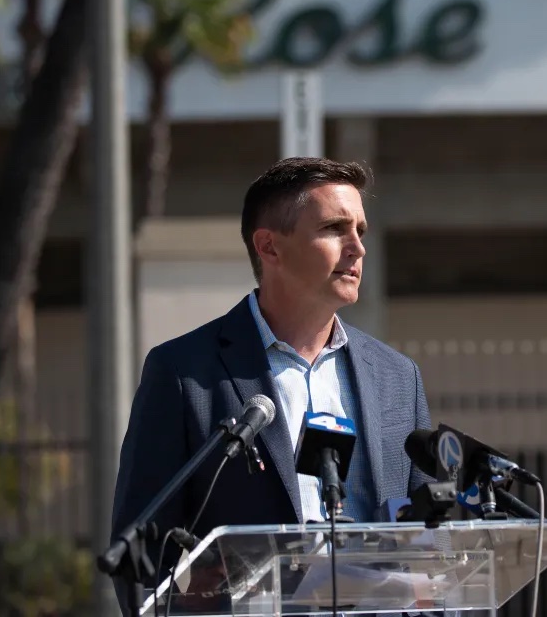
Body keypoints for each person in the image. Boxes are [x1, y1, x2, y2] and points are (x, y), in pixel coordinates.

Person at [109, 156, 434, 609]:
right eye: (335, 229)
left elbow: (430, 537)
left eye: (360, 230)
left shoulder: (398, 377)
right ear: (269, 247)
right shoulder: (185, 373)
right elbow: (143, 554)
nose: (357, 248)